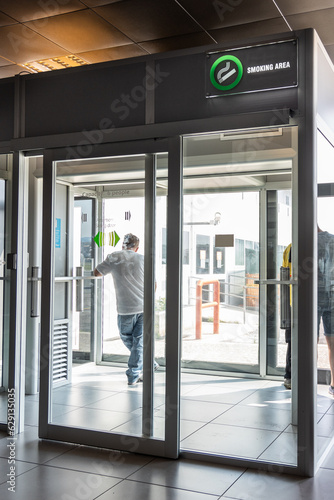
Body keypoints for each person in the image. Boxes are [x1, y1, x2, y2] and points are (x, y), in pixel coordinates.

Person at [94, 233, 147, 385]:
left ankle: (133, 374)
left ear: (122, 245)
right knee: (139, 341)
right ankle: (148, 363)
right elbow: (154, 284)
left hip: (125, 307)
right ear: (137, 248)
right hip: (144, 306)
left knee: (126, 337)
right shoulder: (143, 259)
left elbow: (97, 273)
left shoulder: (114, 257)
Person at [318, 227, 334, 396]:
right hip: (332, 295)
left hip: (311, 297)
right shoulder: (333, 239)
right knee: (333, 343)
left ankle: (306, 384)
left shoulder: (303, 242)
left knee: (309, 343)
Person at [282, 243, 292, 390]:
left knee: (293, 341)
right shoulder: (291, 248)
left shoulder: (291, 247)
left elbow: (285, 274)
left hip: (293, 301)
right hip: (294, 302)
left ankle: (289, 376)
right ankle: (289, 376)